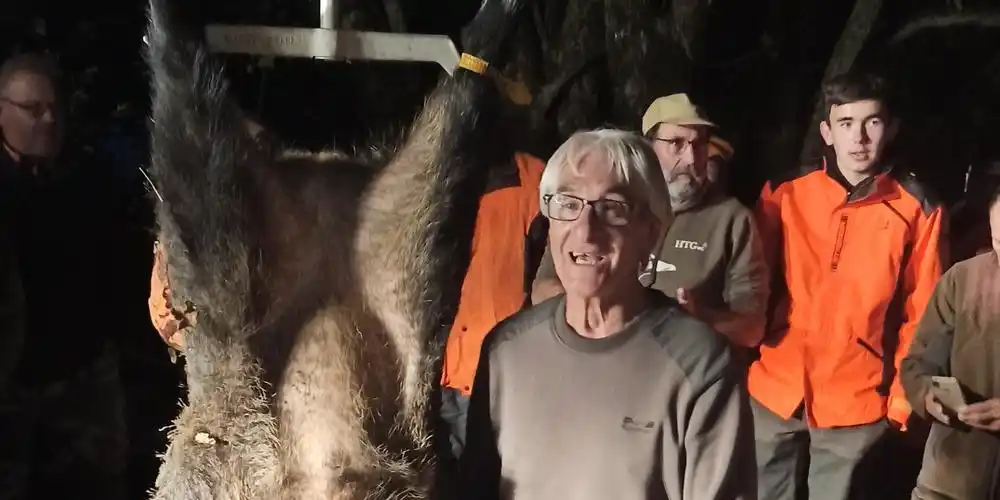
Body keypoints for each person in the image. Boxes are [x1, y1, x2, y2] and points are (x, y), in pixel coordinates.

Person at [459, 128, 756, 500]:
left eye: (613, 208)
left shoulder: (701, 367)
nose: (585, 231)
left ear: (652, 231)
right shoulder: (505, 352)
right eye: (567, 204)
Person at [751, 70, 947, 500]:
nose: (859, 137)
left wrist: (901, 399)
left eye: (872, 122)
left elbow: (925, 315)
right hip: (775, 387)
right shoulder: (785, 192)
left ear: (891, 127)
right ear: (827, 131)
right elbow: (750, 286)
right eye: (846, 123)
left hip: (857, 400)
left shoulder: (918, 207)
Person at [531, 93, 769, 350]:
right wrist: (598, 314)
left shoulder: (732, 221)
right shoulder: (603, 206)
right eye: (676, 143)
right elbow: (542, 289)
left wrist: (699, 317)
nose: (691, 158)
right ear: (648, 146)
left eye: (699, 144)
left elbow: (752, 329)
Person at [0, 53, 131, 500]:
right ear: (1, 111)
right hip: (12, 387)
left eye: (54, 107)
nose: (49, 119)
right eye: (32, 109)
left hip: (82, 376)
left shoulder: (88, 175)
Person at [901, 185, 1000, 500]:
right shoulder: (962, 281)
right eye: (999, 241)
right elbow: (918, 363)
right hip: (948, 482)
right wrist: (929, 396)